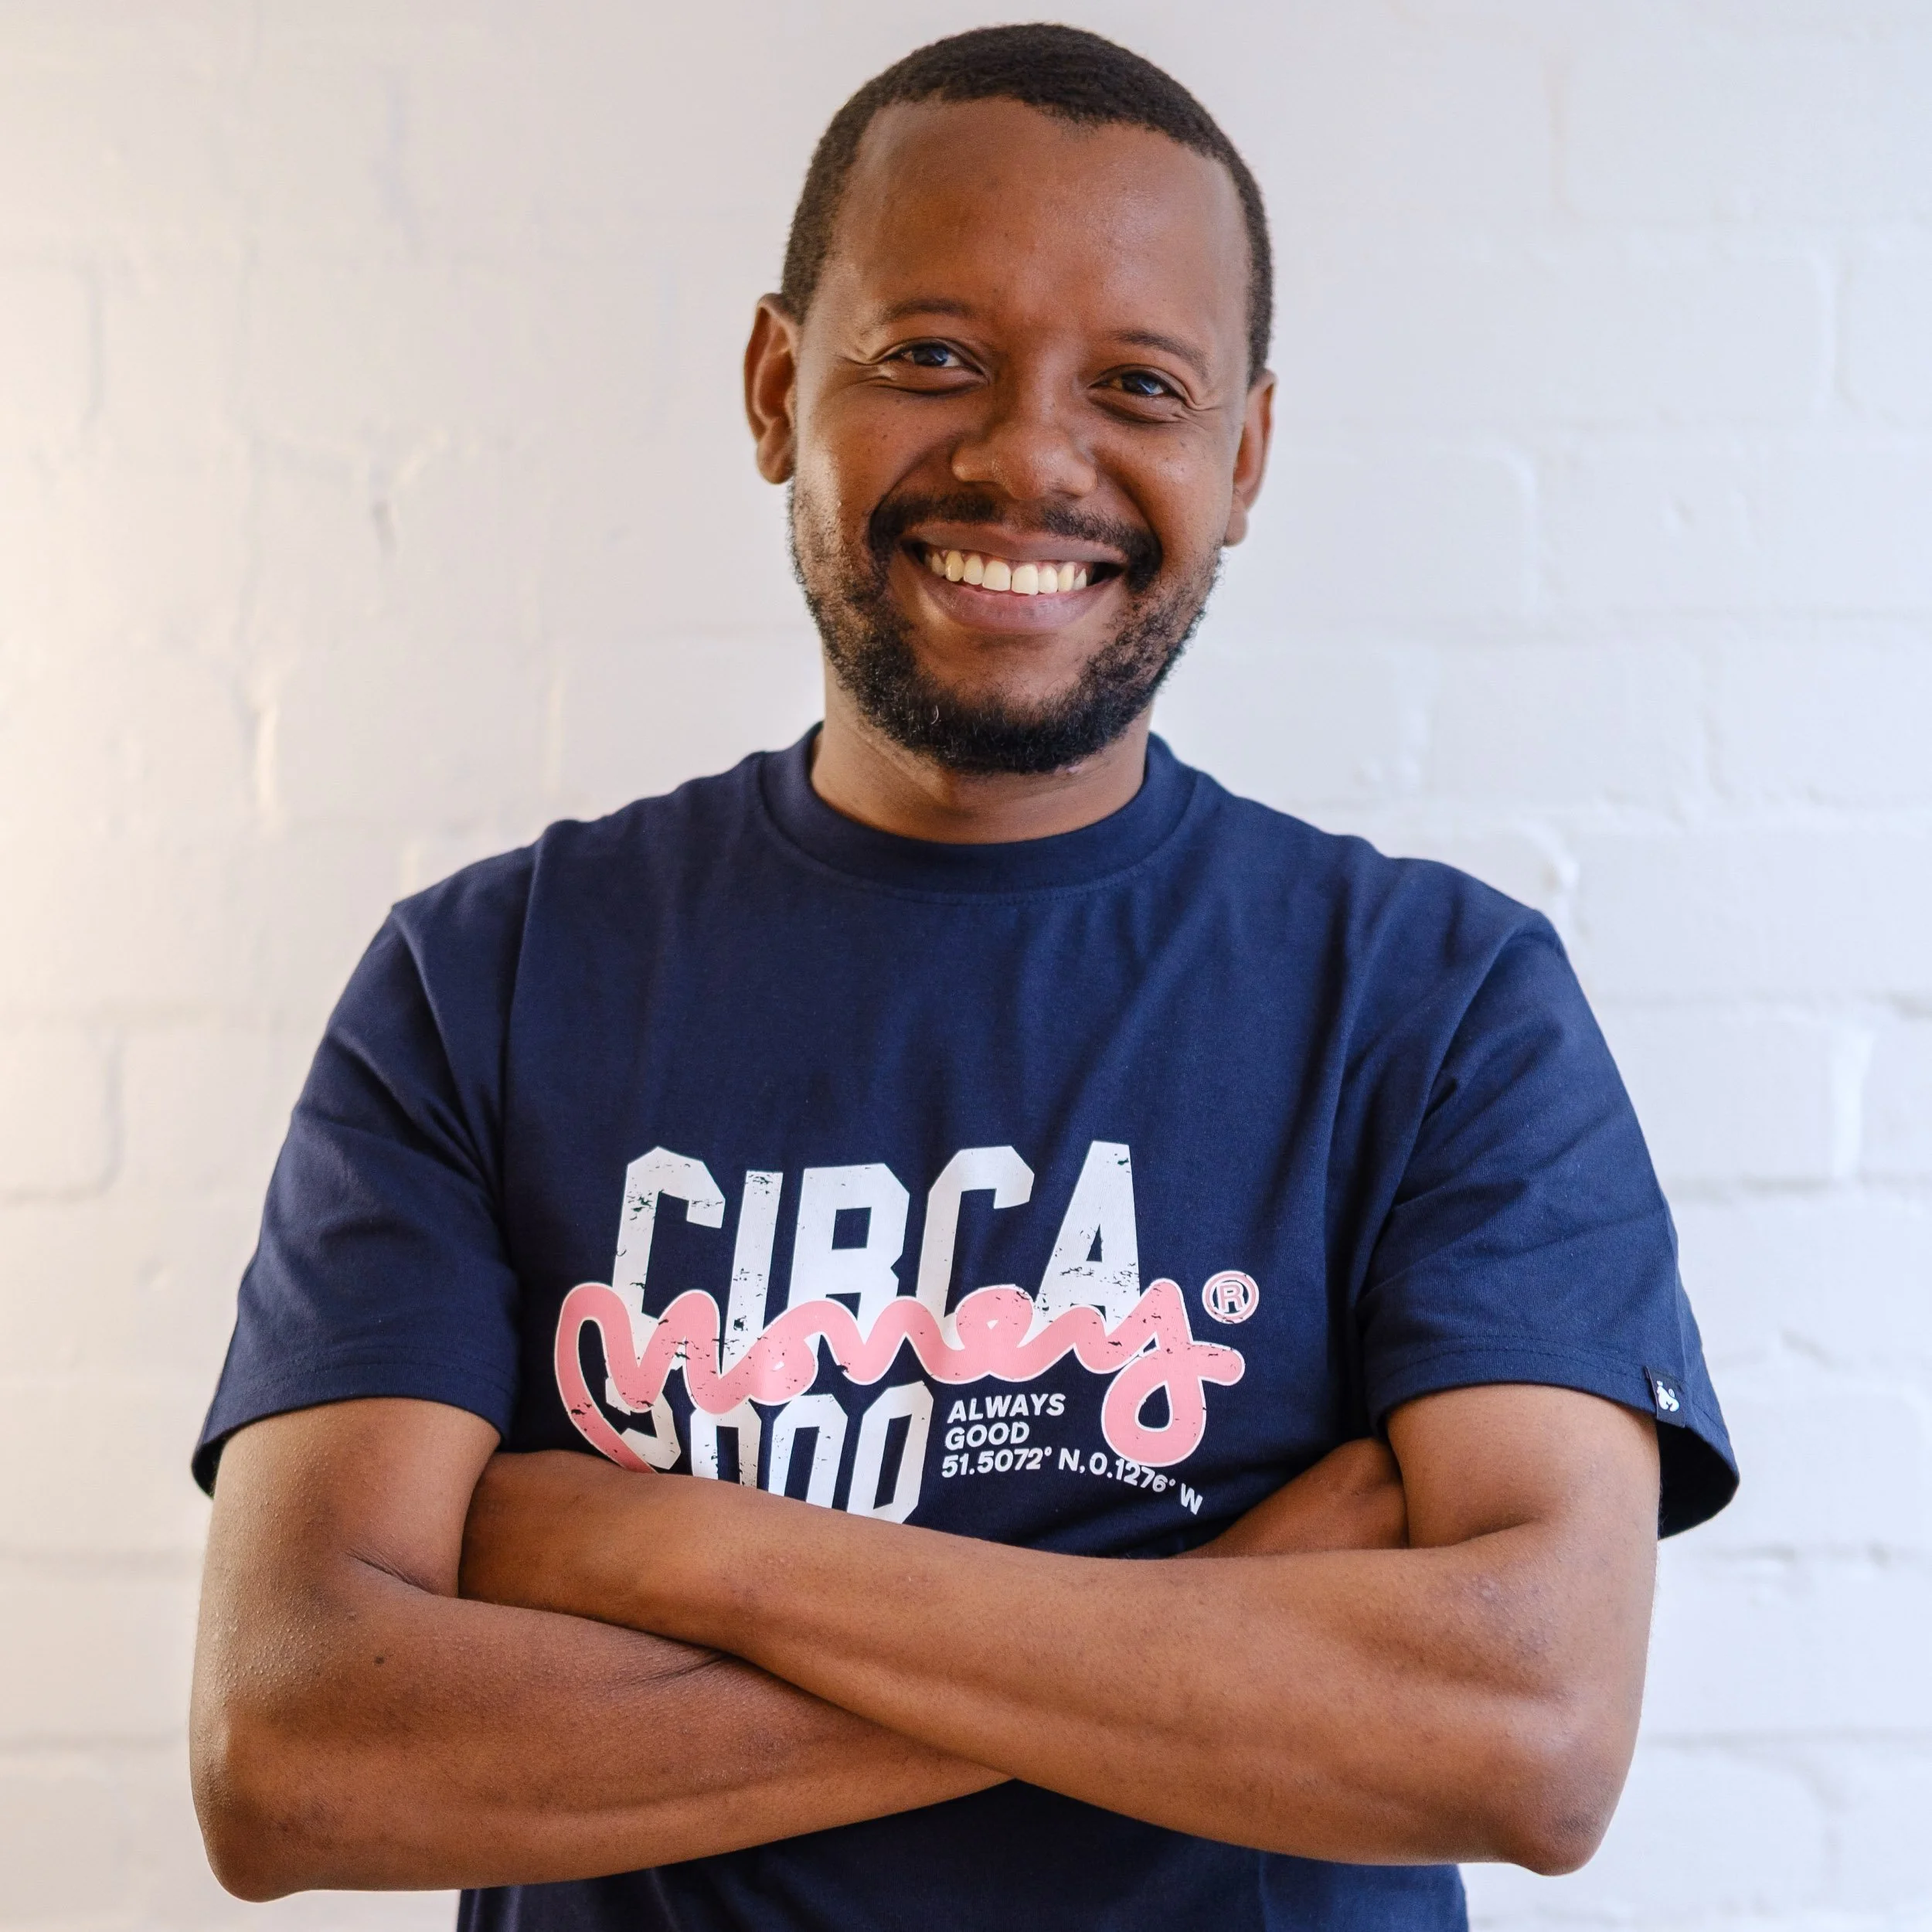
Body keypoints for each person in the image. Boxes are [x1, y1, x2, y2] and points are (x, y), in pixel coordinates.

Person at [189, 23, 1737, 1932]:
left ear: (1240, 456)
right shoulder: (488, 978)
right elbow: (296, 1753)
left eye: (1140, 384)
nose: (1026, 459)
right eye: (930, 355)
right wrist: (1229, 1617)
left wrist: (675, 1542)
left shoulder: (1436, 1001)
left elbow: (1526, 1729)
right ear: (774, 387)